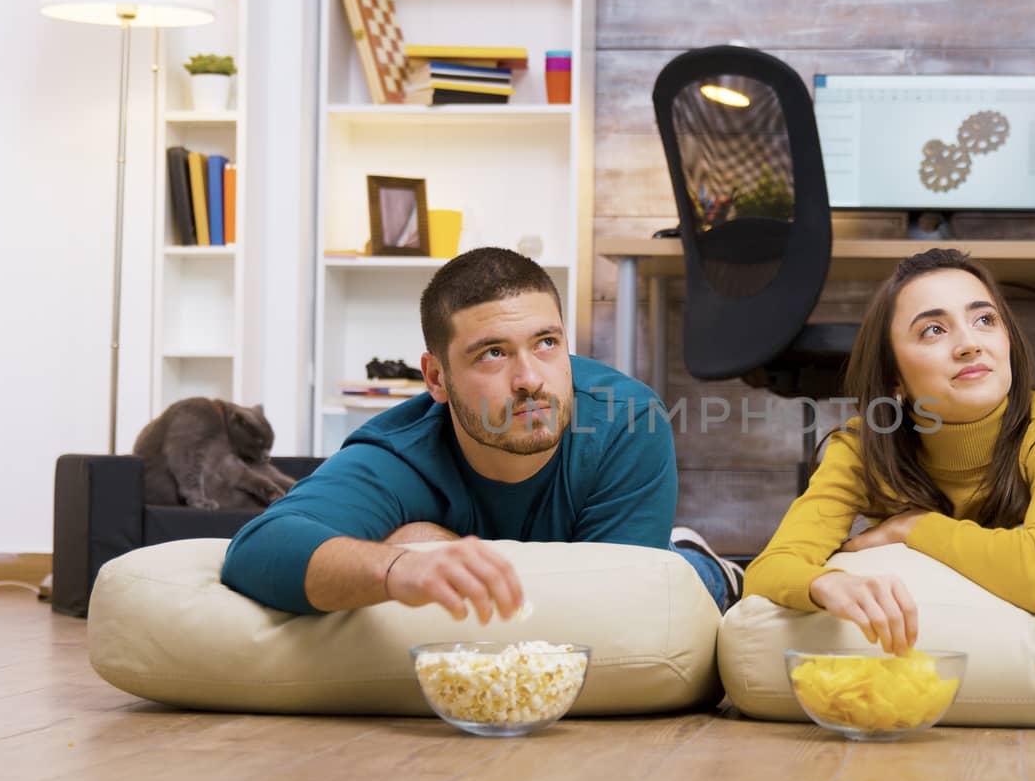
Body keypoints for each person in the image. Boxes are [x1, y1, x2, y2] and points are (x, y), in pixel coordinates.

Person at [222, 247, 744, 618]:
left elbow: (621, 608)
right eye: (492, 353)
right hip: (570, 566)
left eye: (545, 343)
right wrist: (401, 567)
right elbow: (258, 551)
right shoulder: (396, 453)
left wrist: (432, 546)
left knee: (683, 584)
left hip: (648, 570)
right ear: (435, 377)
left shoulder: (626, 418)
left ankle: (711, 565)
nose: (530, 380)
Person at [743, 248, 1035, 654]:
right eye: (934, 329)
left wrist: (911, 527)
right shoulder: (866, 446)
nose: (969, 344)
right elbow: (769, 568)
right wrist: (824, 583)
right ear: (895, 378)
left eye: (984, 320)